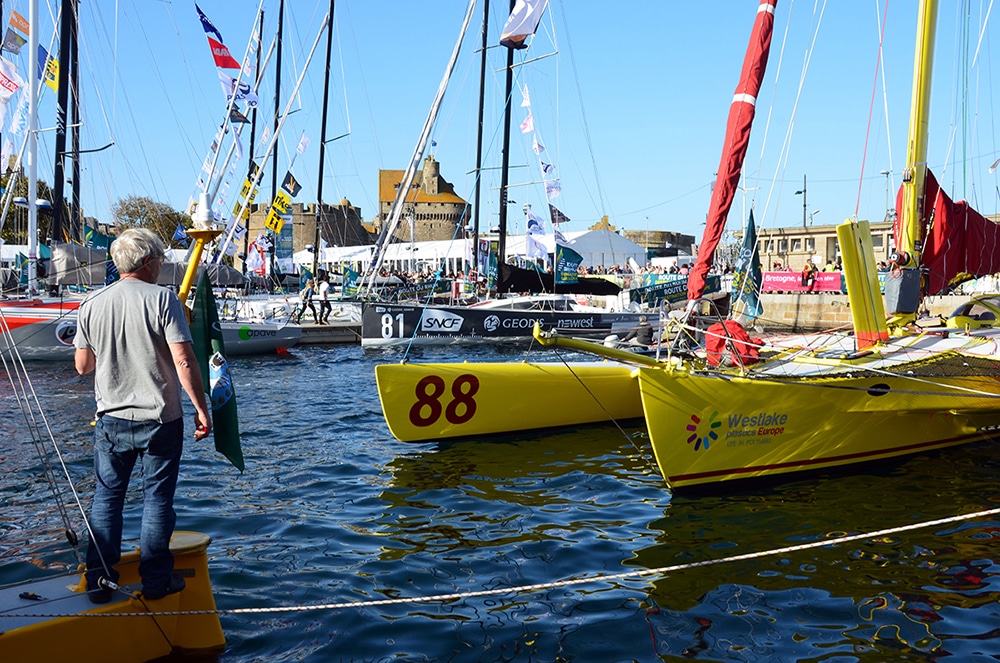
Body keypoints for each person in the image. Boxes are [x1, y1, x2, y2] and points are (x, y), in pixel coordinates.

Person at [74, 228, 212, 604]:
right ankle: (156, 583)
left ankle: (99, 581)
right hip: (160, 418)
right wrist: (201, 408)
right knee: (157, 500)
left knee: (107, 499)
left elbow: (83, 366)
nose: (162, 266)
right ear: (148, 261)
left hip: (110, 419)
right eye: (161, 260)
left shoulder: (91, 303)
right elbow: (183, 360)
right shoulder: (163, 300)